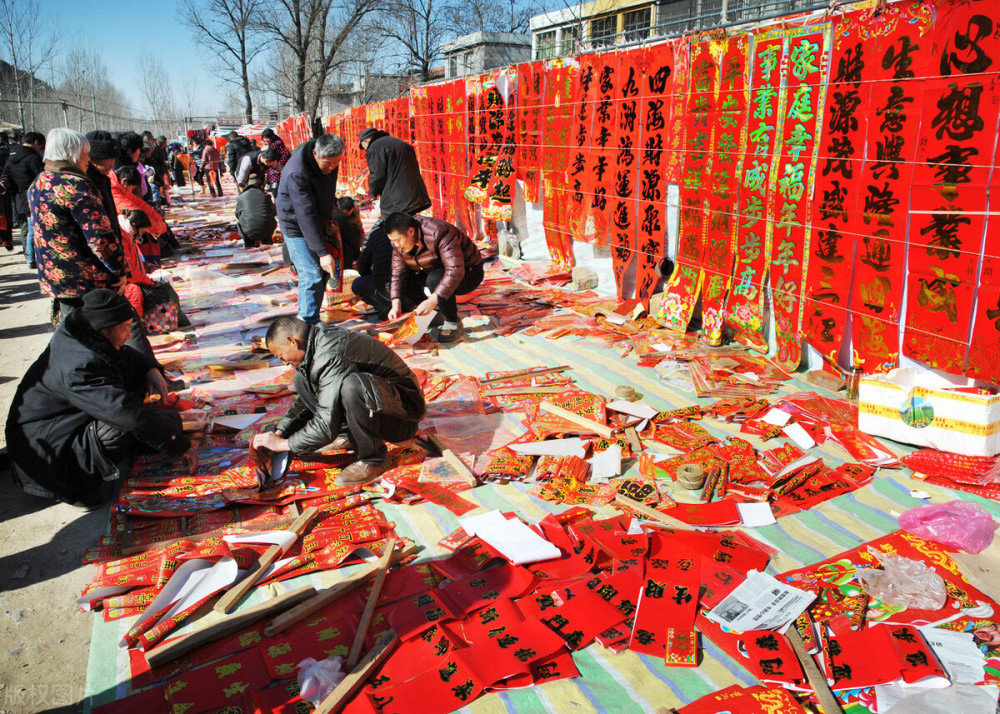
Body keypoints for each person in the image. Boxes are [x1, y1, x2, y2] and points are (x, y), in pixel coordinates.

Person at [5, 289, 195, 507]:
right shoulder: (79, 366)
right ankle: (73, 485)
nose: (129, 335)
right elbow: (125, 413)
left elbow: (124, 353)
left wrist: (149, 367)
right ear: (106, 329)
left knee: (167, 422)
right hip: (49, 453)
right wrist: (179, 446)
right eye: (125, 328)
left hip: (63, 427)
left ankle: (118, 451)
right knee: (125, 425)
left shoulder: (84, 331)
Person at [252, 316, 425, 485]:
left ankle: (373, 459)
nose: (284, 363)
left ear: (292, 341)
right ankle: (347, 436)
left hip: (404, 417)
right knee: (301, 378)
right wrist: (282, 430)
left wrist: (284, 444)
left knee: (353, 387)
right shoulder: (316, 344)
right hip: (383, 405)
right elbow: (312, 400)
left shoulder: (329, 354)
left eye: (281, 356)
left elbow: (325, 425)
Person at [275, 133, 345, 324]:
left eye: (336, 163)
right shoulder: (297, 172)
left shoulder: (330, 162)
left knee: (321, 273)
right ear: (315, 154)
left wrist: (328, 219)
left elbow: (326, 192)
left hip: (319, 219)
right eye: (327, 164)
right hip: (295, 224)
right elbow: (304, 215)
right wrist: (322, 252)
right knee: (311, 272)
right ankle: (306, 323)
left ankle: (311, 317)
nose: (332, 168)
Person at [385, 212, 484, 343]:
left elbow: (455, 270)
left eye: (398, 240)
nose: (397, 245)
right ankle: (433, 315)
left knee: (435, 279)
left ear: (410, 231)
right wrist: (395, 303)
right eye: (393, 241)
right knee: (405, 280)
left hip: (468, 272)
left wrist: (432, 300)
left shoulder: (439, 232)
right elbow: (398, 273)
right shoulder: (398, 244)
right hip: (435, 268)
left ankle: (452, 322)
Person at [358, 128, 431, 217]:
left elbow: (377, 175)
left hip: (395, 199)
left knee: (394, 226)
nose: (365, 150)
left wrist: (372, 193)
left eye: (363, 147)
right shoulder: (400, 143)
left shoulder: (374, 148)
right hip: (414, 195)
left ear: (365, 141)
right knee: (408, 223)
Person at [0, 131, 45, 267]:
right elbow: (42, 177)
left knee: (26, 227)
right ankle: (32, 257)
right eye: (41, 147)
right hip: (35, 196)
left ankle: (29, 255)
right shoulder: (33, 158)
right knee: (33, 227)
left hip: (19, 198)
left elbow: (6, 178)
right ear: (36, 143)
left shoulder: (11, 158)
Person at [235, 173, 277, 248]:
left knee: (240, 223)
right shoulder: (266, 196)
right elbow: (274, 212)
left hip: (248, 232)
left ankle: (249, 243)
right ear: (261, 185)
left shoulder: (241, 197)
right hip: (266, 230)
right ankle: (267, 241)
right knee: (270, 221)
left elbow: (237, 214)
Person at [261, 128, 290, 195]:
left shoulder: (277, 143)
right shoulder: (271, 144)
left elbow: (286, 154)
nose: (265, 140)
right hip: (273, 169)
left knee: (276, 189)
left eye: (267, 138)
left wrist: (279, 166)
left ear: (272, 136)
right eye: (264, 138)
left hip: (276, 170)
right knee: (274, 188)